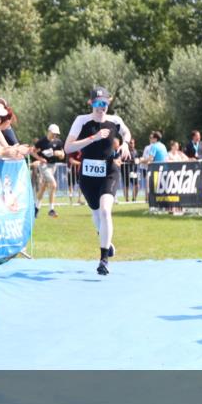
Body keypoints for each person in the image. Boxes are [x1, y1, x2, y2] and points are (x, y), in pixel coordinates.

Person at [64, 86, 131, 276]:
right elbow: (68, 147)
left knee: (105, 210)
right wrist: (93, 138)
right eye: (98, 103)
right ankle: (106, 241)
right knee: (96, 214)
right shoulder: (82, 121)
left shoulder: (115, 121)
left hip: (109, 171)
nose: (102, 107)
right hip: (88, 176)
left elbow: (126, 133)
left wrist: (125, 144)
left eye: (105, 103)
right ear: (91, 103)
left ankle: (103, 259)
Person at [32, 124, 65, 217]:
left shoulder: (58, 142)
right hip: (44, 166)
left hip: (53, 166)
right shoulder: (42, 141)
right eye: (53, 133)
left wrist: (59, 154)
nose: (55, 135)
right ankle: (51, 210)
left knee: (43, 187)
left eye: (56, 134)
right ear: (49, 131)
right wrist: (40, 159)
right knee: (53, 184)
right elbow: (33, 151)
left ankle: (36, 208)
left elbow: (63, 156)